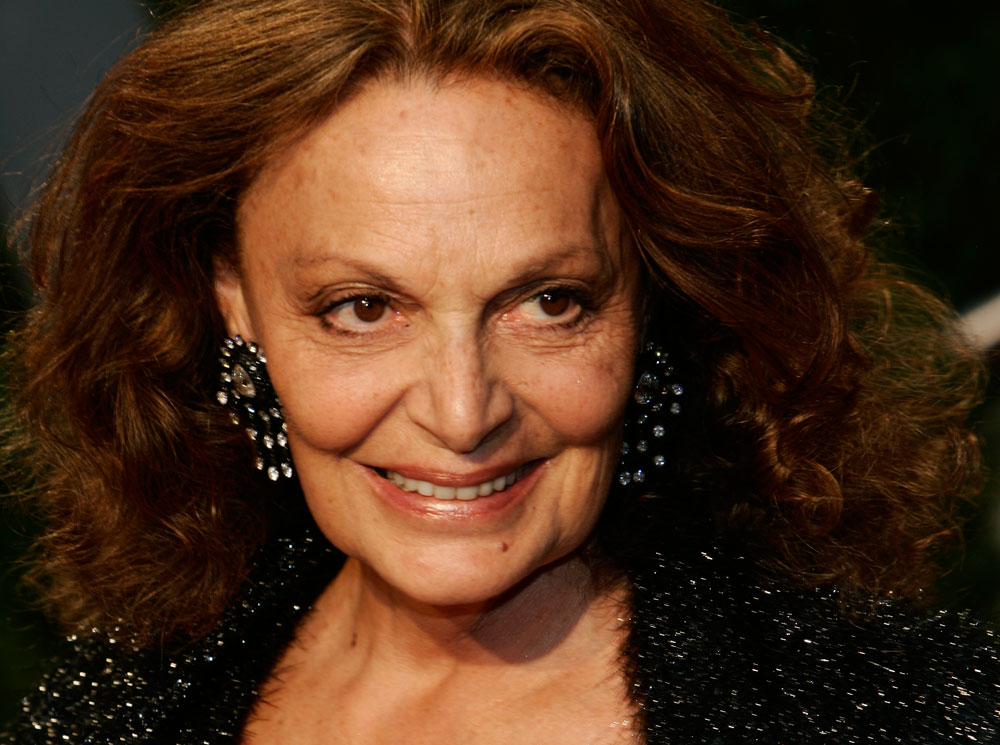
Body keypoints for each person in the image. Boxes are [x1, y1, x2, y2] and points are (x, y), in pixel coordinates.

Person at [4, 0, 998, 742]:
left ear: (652, 297)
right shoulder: (115, 715)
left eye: (548, 302)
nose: (461, 411)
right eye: (363, 308)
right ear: (234, 298)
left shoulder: (901, 714)